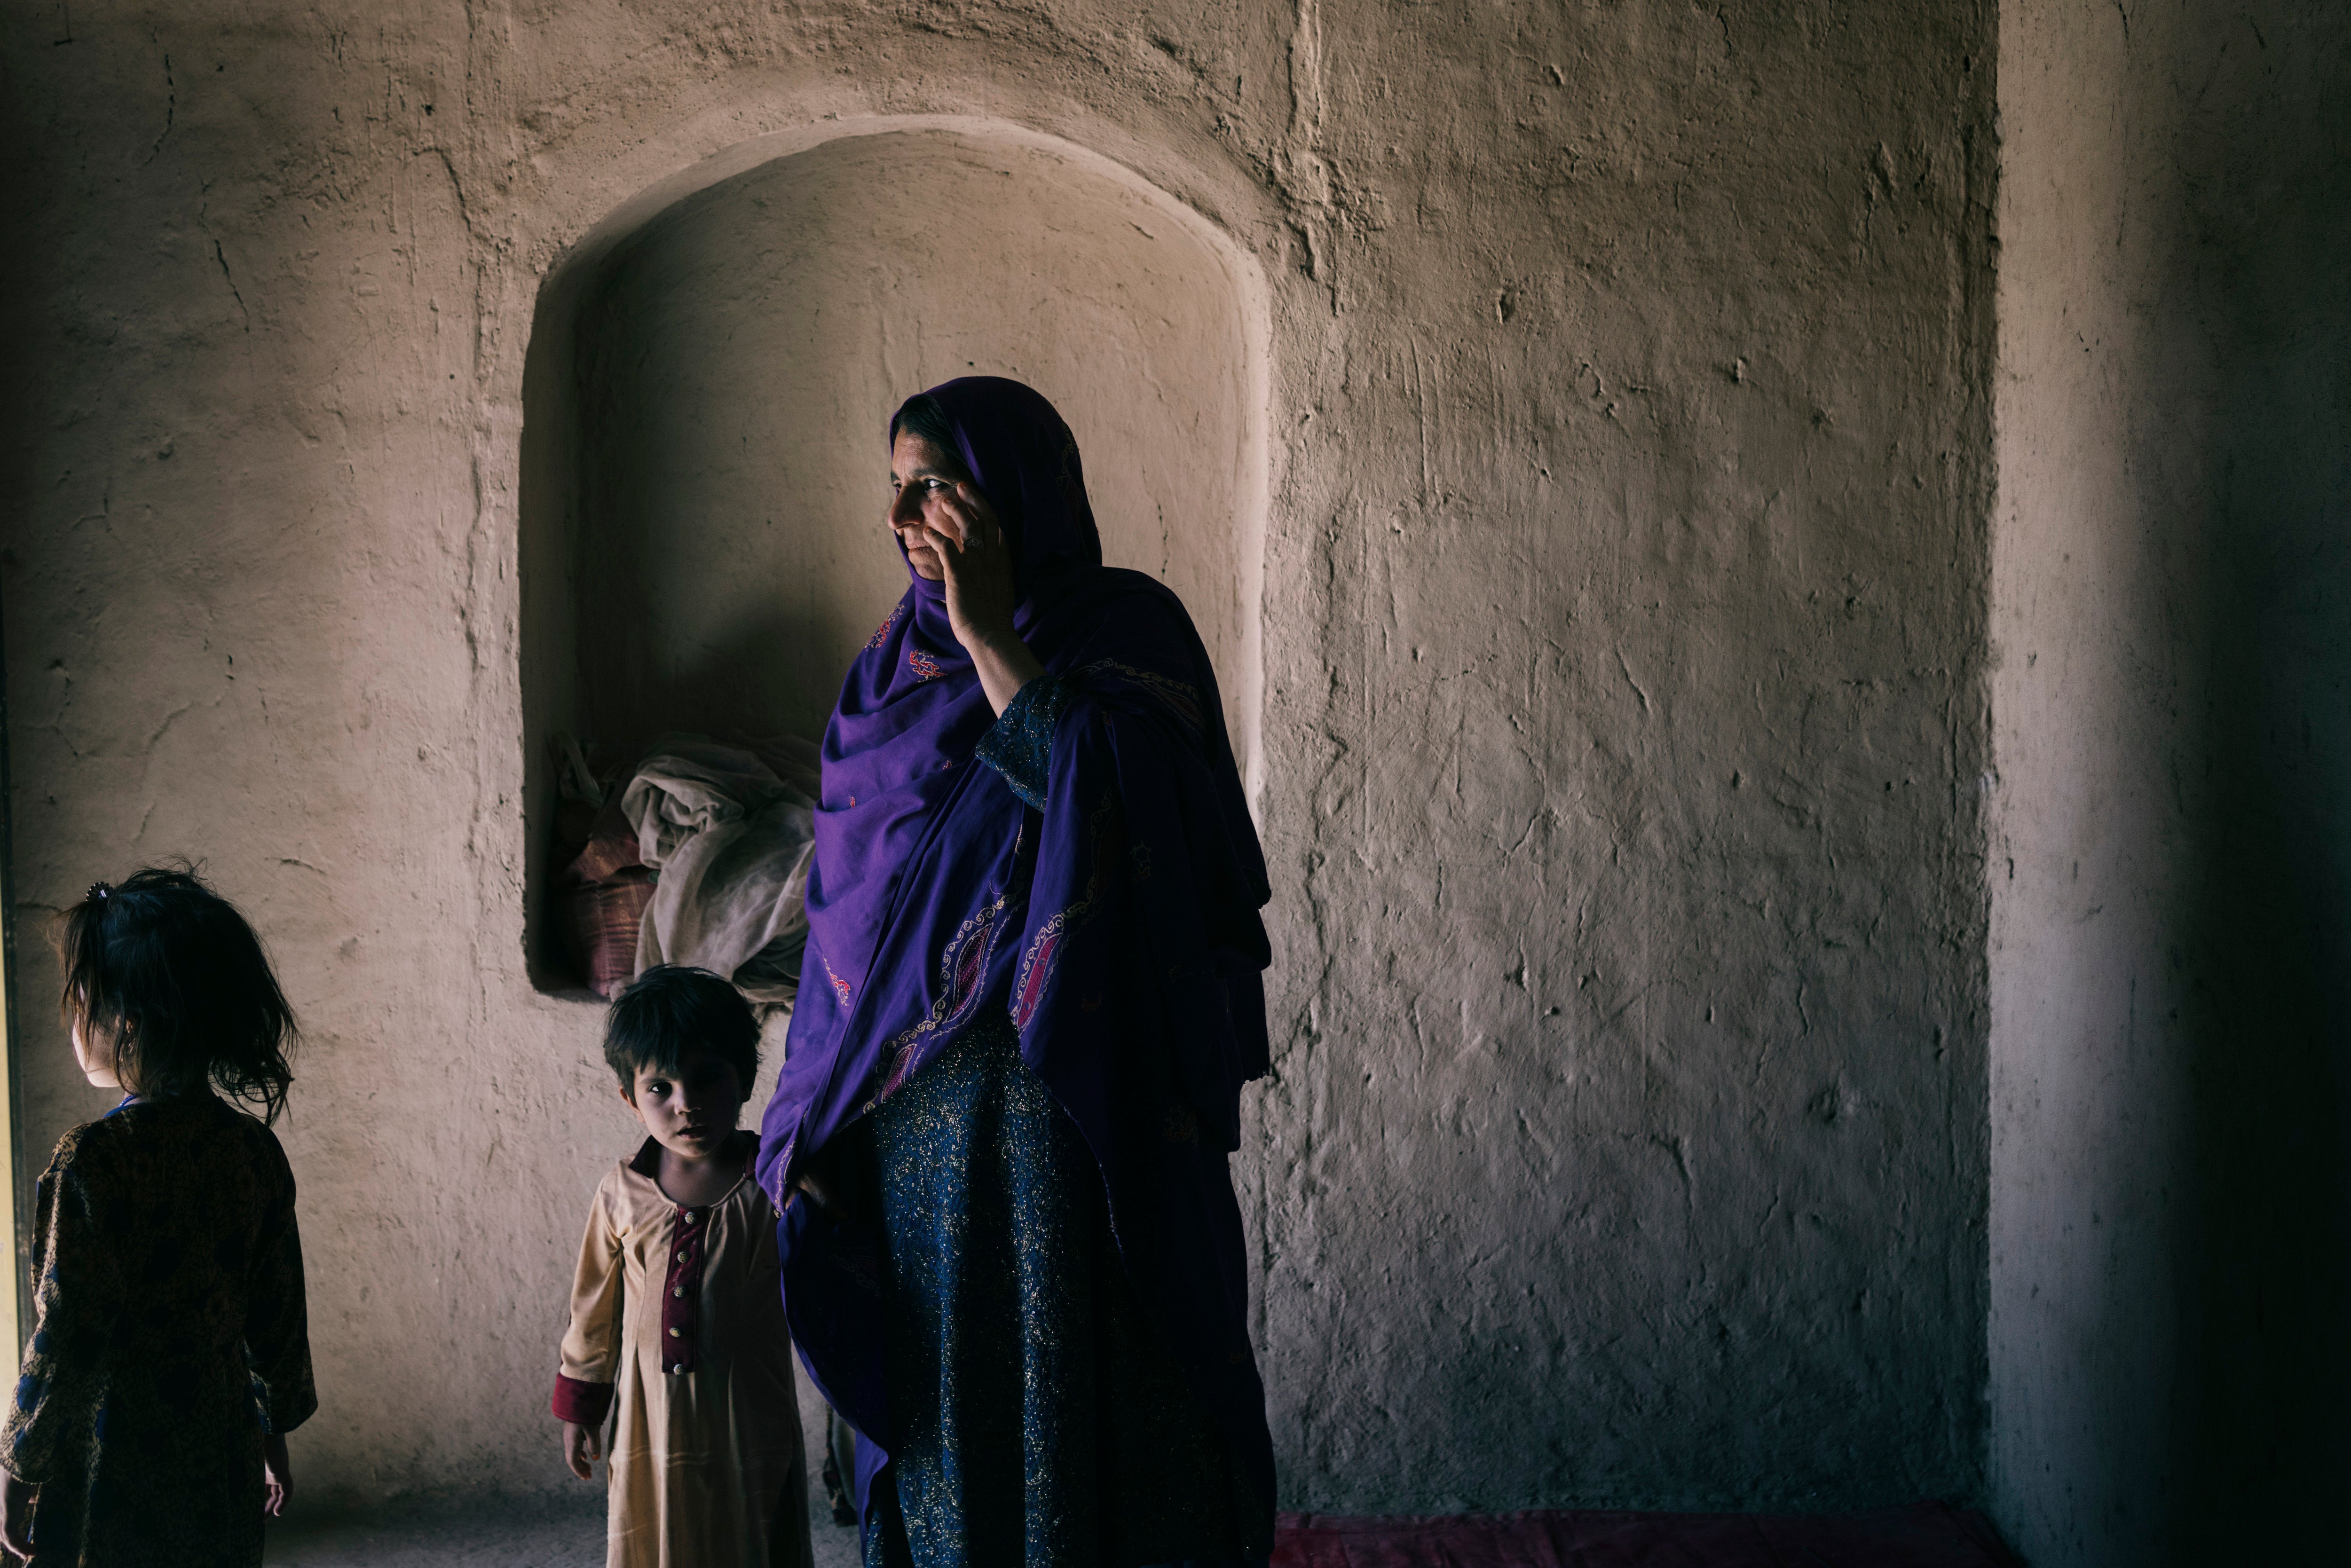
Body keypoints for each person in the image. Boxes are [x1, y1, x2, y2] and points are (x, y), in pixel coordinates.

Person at [757, 378, 1276, 1568]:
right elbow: (849, 936)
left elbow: (1137, 836)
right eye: (895, 484)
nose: (905, 512)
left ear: (1013, 491)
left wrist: (994, 631)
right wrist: (815, 1125)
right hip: (920, 1151)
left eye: (937, 482)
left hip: (1078, 1129)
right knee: (955, 1419)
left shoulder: (1124, 631)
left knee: (1084, 1402)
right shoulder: (883, 678)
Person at [0, 868, 315, 1568]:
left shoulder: (93, 1163)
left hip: (112, 1461)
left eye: (81, 997)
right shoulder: (251, 1151)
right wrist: (270, 1433)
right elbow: (276, 1318)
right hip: (219, 1451)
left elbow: (66, 1337)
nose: (71, 1014)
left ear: (130, 1018)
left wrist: (22, 1461)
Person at [554, 965, 813, 1568]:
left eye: (705, 1078)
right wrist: (580, 1406)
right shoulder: (622, 1191)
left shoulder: (774, 1181)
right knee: (662, 1536)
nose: (685, 1104)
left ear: (745, 1079)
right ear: (629, 1098)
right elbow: (592, 1310)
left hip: (749, 1417)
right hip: (651, 1422)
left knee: (751, 1532)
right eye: (659, 1088)